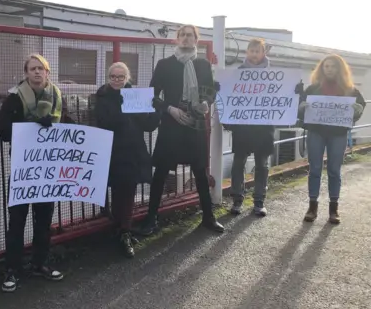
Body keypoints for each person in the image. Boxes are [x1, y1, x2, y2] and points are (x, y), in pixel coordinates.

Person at [142, 24, 224, 233]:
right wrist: (169, 109)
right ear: (177, 39)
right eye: (183, 35)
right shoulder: (164, 64)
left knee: (200, 172)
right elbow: (151, 96)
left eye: (190, 36)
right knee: (160, 172)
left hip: (195, 124)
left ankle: (208, 216)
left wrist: (206, 103)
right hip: (171, 124)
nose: (187, 39)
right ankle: (151, 219)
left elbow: (211, 93)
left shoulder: (203, 65)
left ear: (196, 40)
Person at [0, 54, 64, 293]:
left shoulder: (56, 95)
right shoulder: (15, 98)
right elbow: (4, 131)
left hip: (47, 167)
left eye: (41, 68)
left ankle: (40, 263)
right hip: (23, 168)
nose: (37, 73)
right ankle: (12, 269)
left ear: (47, 73)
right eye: (32, 69)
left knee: (44, 217)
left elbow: (64, 125)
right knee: (17, 219)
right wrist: (35, 126)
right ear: (26, 73)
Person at [226, 38, 303, 217]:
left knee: (262, 165)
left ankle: (259, 201)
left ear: (263, 53)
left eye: (257, 51)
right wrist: (220, 89)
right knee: (238, 164)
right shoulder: (238, 73)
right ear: (247, 52)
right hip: (243, 128)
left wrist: (296, 90)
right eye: (251, 51)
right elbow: (229, 95)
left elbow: (285, 96)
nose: (254, 54)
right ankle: (237, 200)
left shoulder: (275, 75)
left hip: (263, 128)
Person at [94, 62, 158, 257]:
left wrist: (155, 110)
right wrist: (122, 112)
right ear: (108, 78)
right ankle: (118, 227)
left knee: (129, 190)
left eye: (120, 77)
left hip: (133, 150)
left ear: (127, 78)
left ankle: (125, 230)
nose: (117, 80)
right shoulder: (103, 96)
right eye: (113, 76)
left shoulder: (135, 96)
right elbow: (103, 123)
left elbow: (148, 126)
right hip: (113, 151)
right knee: (117, 189)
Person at [298, 54, 365, 224]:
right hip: (316, 132)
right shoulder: (312, 89)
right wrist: (301, 108)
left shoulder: (349, 90)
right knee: (315, 169)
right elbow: (298, 107)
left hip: (338, 134)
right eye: (326, 66)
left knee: (334, 170)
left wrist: (357, 111)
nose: (329, 69)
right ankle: (312, 207)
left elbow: (360, 104)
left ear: (339, 69)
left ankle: (333, 209)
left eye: (333, 66)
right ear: (322, 68)